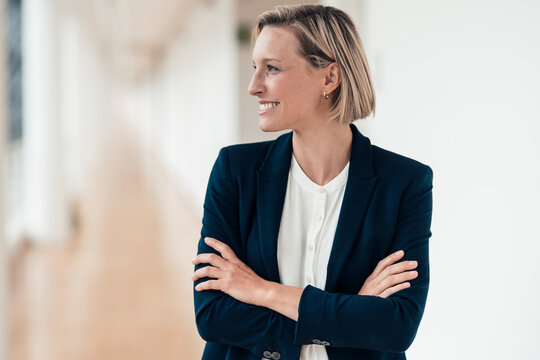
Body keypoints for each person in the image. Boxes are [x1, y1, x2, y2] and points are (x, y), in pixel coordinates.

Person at [192, 4, 433, 360]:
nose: (253, 87)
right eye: (254, 67)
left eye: (271, 68)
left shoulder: (404, 183)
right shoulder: (235, 171)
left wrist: (260, 291)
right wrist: (350, 311)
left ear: (329, 78)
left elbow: (396, 326)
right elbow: (212, 314)